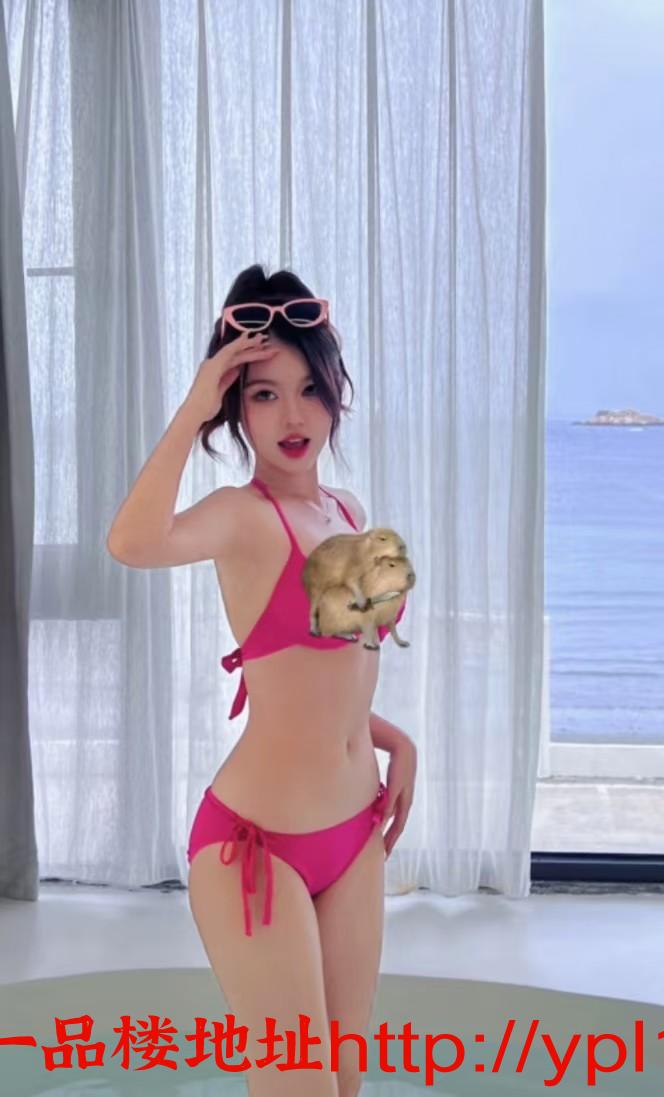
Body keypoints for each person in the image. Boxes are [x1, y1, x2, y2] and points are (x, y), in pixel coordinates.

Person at [106, 265, 417, 1097]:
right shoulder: (241, 517)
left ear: (335, 393)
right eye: (264, 394)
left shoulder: (348, 511)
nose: (292, 416)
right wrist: (193, 404)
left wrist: (396, 740)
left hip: (354, 832)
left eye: (309, 389)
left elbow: (328, 678)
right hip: (256, 847)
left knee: (343, 1085)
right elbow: (131, 543)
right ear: (236, 408)